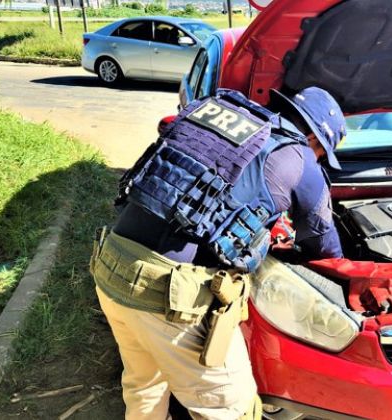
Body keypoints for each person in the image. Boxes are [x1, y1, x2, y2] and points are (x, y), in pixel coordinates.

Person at [90, 86, 347, 420]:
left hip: (112, 263)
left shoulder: (220, 116)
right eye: (322, 153)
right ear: (315, 139)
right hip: (167, 298)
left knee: (145, 387)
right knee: (233, 409)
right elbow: (325, 245)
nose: (319, 159)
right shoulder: (299, 158)